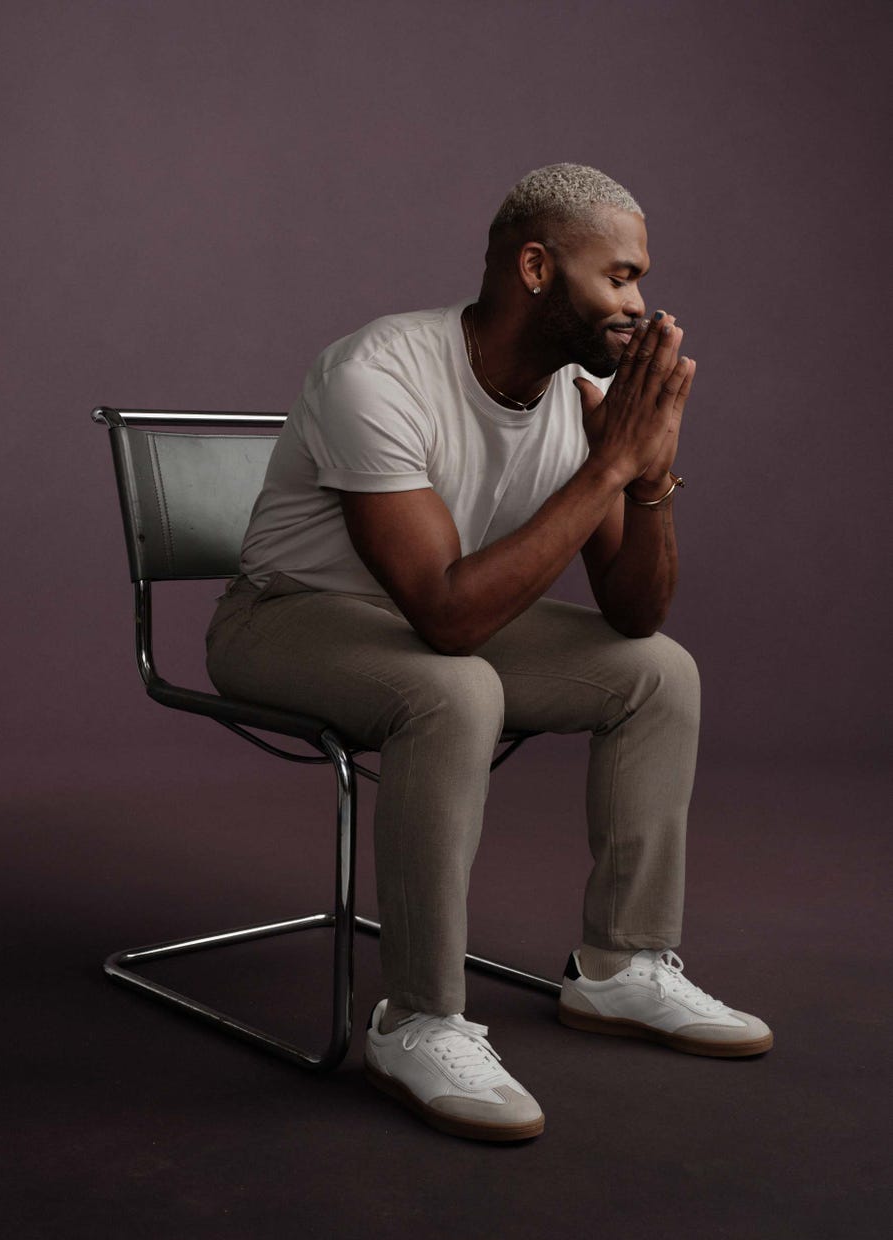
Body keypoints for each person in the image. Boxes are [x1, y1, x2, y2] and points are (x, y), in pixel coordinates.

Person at [206, 163, 773, 1144]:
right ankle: (418, 1019)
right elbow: (446, 617)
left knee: (658, 672)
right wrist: (605, 463)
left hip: (426, 625)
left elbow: (633, 614)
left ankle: (621, 967)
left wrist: (646, 475)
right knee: (453, 690)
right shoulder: (374, 371)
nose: (638, 305)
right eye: (620, 276)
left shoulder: (582, 395)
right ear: (535, 266)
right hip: (284, 617)